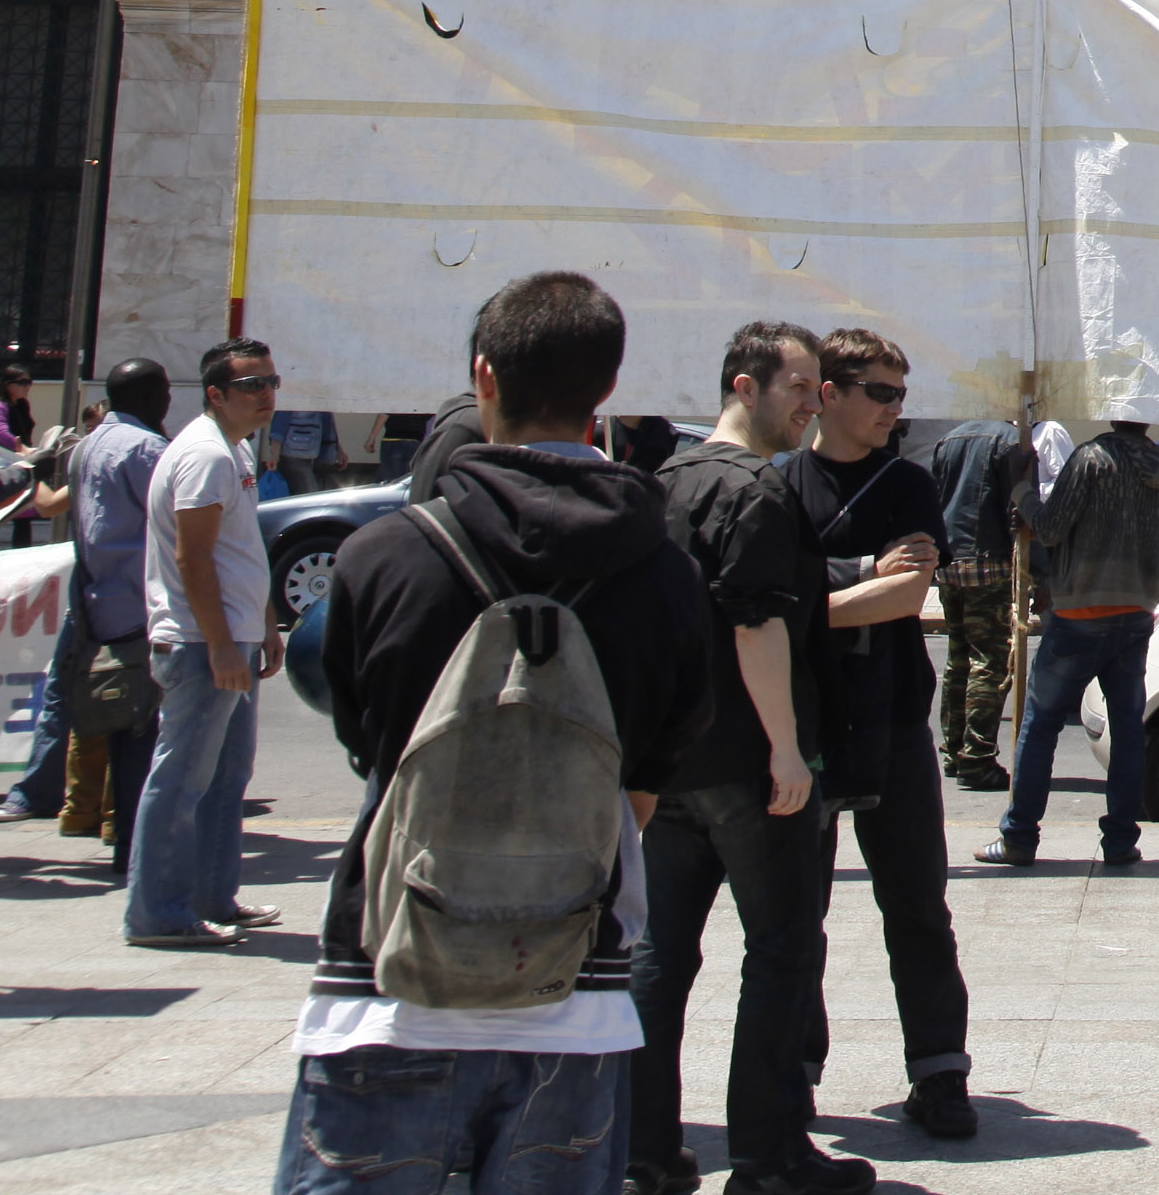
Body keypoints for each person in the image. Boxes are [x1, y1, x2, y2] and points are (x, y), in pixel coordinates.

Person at [277, 274, 712, 1195]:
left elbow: (370, 743)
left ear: (484, 376)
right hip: (576, 995)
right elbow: (649, 778)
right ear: (607, 391)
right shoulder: (668, 579)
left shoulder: (383, 556)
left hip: (389, 981)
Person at [637, 321, 861, 1195]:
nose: (814, 404)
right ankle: (768, 1157)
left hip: (671, 767)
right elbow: (756, 624)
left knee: (662, 957)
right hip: (748, 765)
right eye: (800, 387)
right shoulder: (757, 494)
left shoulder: (662, 483)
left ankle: (643, 1151)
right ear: (744, 386)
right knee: (779, 952)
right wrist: (786, 751)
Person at [789, 328, 970, 1138]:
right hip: (806, 724)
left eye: (903, 395)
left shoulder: (908, 484)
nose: (897, 411)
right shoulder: (779, 482)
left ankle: (939, 1074)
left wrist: (801, 606)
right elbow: (759, 597)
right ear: (830, 393)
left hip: (894, 719)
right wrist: (862, 576)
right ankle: (792, 1070)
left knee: (918, 906)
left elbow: (908, 600)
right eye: (882, 394)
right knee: (796, 914)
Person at [127, 334, 283, 949]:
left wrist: (264, 622)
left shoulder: (235, 451)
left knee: (226, 777)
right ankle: (156, 913)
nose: (266, 394)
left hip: (233, 635)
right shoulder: (205, 456)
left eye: (271, 382)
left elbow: (239, 551)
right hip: (199, 643)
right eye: (252, 385)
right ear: (215, 394)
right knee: (183, 777)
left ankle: (211, 897)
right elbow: (194, 560)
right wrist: (220, 643)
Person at [980, 413, 1159, 871]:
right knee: (1128, 730)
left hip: (1082, 611)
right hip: (1136, 608)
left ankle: (1019, 835)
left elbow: (1049, 527)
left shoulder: (1091, 458)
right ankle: (1122, 839)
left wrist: (1020, 488)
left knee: (1039, 724)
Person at [63, 357, 171, 870]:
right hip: (142, 608)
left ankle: (119, 834)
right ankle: (135, 847)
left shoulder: (87, 446)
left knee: (113, 728)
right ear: (153, 399)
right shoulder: (151, 450)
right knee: (143, 737)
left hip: (99, 604)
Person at [917, 416, 1023, 791]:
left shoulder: (949, 439)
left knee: (958, 657)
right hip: (989, 561)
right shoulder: (1011, 440)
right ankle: (977, 757)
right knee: (989, 661)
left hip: (950, 560)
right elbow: (1019, 508)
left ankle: (954, 750)